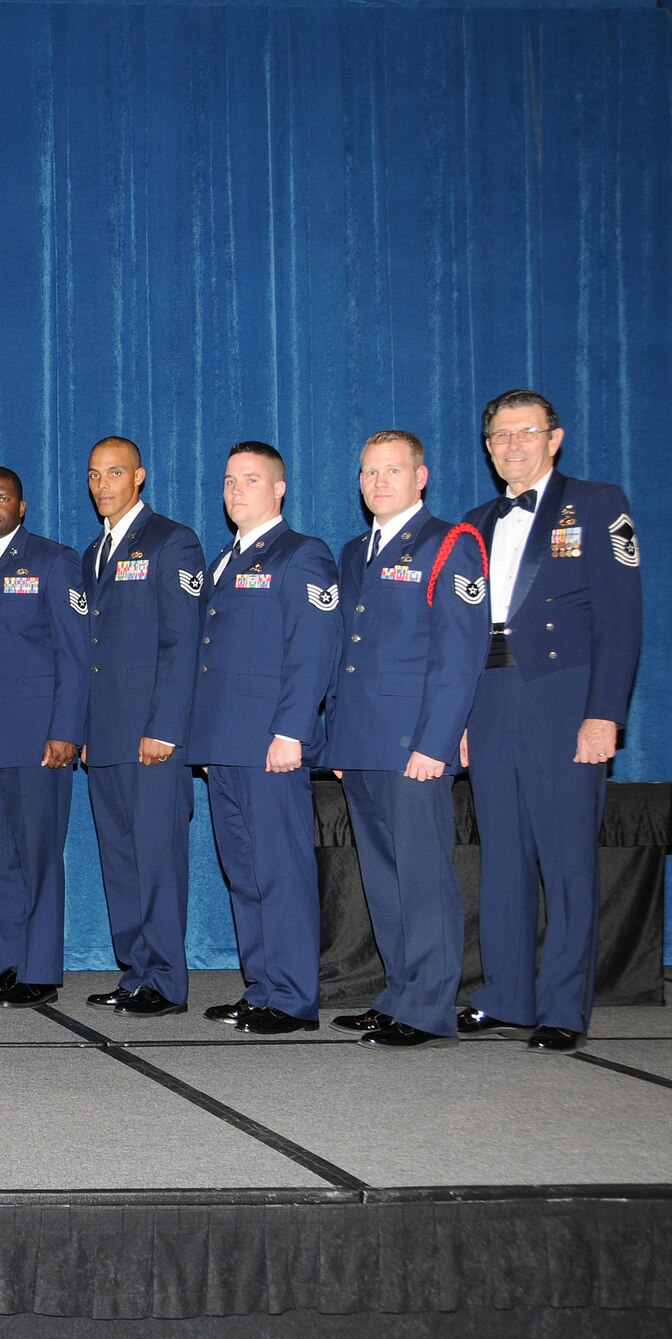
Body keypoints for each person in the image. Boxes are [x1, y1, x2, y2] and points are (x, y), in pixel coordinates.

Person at [458, 390, 642, 1052]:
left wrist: (605, 714)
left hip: (565, 700)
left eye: (525, 431)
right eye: (499, 435)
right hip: (492, 696)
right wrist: (462, 714)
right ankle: (506, 993)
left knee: (566, 857)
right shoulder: (476, 520)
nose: (512, 445)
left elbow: (622, 618)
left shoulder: (599, 504)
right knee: (502, 855)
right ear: (487, 447)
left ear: (553, 437)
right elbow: (462, 630)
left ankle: (564, 1005)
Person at [325, 430, 488, 1050]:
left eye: (392, 471)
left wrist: (437, 741)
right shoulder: (353, 551)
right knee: (384, 878)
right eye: (368, 472)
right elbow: (347, 648)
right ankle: (397, 994)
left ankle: (428, 1006)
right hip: (362, 740)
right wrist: (337, 737)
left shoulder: (451, 543)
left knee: (423, 877)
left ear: (420, 477)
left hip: (414, 741)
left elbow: (459, 653)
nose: (378, 483)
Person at [186, 444, 341, 1035]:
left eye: (250, 480)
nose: (236, 491)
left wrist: (292, 731)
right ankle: (263, 986)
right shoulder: (225, 559)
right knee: (244, 871)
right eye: (228, 481)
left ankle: (295, 997)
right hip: (224, 743)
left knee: (281, 870)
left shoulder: (301, 555)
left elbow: (312, 650)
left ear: (279, 489)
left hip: (270, 742)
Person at [79, 436, 203, 1017]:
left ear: (139, 477)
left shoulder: (171, 541)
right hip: (105, 735)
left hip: (151, 735)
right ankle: (135, 971)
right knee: (120, 860)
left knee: (156, 859)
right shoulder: (93, 553)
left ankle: (167, 981)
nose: (103, 485)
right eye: (94, 475)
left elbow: (182, 643)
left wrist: (166, 727)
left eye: (114, 473)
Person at [0, 467, 87, 1009]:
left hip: (38, 739)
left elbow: (76, 656)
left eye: (2, 497)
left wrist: (66, 731)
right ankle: (7, 964)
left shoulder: (54, 561)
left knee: (37, 856)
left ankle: (41, 970)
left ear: (22, 505)